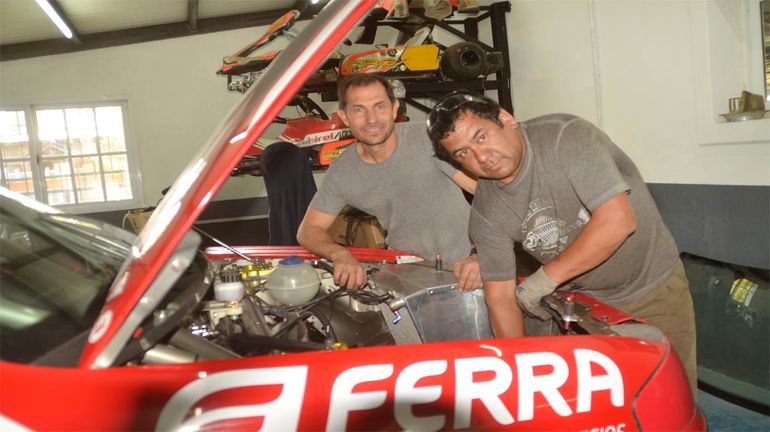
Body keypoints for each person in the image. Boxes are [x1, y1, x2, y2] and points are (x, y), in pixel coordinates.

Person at [427, 92, 697, 395]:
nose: (481, 156)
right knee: (603, 401)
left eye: (481, 136)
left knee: (671, 395)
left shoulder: (565, 137)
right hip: (583, 305)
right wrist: (519, 370)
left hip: (651, 287)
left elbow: (618, 221)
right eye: (463, 153)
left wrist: (543, 281)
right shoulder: (487, 212)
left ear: (505, 118)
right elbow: (500, 298)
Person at [297, 75, 480, 291]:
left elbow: (492, 192)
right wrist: (340, 254)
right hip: (409, 273)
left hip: (469, 266)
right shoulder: (343, 171)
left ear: (394, 109)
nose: (372, 119)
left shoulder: (429, 139)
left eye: (380, 107)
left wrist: (483, 254)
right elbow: (308, 230)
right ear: (344, 116)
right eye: (359, 110)